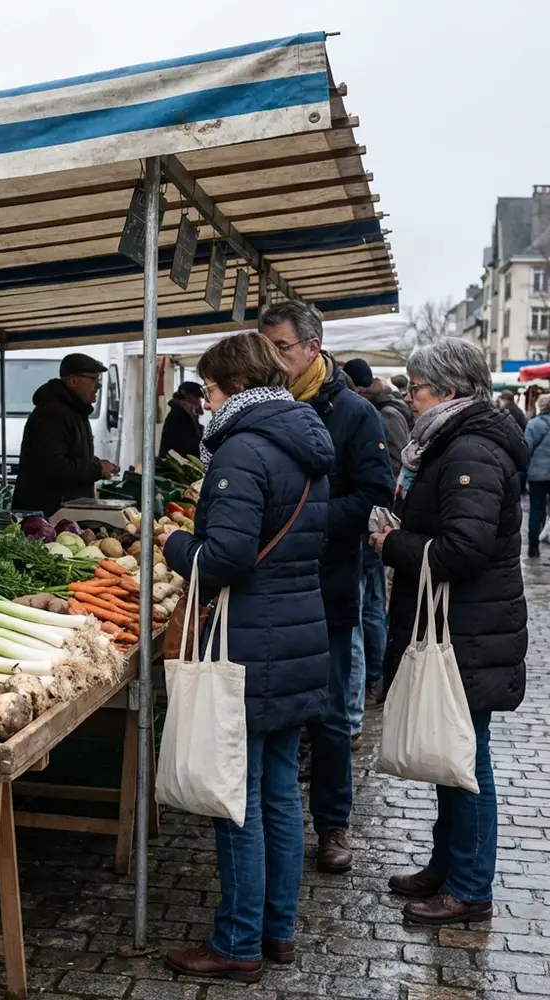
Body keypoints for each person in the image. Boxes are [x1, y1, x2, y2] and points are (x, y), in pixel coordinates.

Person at [160, 332, 334, 983]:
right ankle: (277, 932)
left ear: (231, 385)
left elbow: (224, 558)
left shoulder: (242, 450)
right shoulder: (306, 441)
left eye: (207, 389)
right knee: (280, 792)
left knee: (237, 795)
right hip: (296, 637)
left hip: (250, 644)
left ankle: (236, 944)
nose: (204, 403)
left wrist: (176, 543)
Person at [370, 338, 527, 926]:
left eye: (418, 388)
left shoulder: (471, 450)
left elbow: (462, 548)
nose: (410, 397)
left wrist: (394, 545)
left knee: (467, 759)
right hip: (461, 627)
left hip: (470, 630)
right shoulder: (450, 442)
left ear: (451, 392)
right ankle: (446, 865)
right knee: (452, 755)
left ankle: (469, 886)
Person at [260, 301, 394, 875]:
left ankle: (333, 827)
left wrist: (308, 519)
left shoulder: (355, 414)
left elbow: (376, 494)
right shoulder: (263, 406)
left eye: (282, 349)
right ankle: (272, 820)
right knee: (274, 712)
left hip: (329, 586)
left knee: (333, 716)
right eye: (266, 348)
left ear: (312, 348)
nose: (273, 358)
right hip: (268, 590)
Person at [341, 358, 413, 722]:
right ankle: (375, 679)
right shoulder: (382, 411)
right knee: (368, 610)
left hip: (370, 530)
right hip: (370, 528)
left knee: (365, 612)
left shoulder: (381, 416)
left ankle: (372, 684)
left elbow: (391, 472)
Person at [12, 354, 119, 516]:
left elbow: (72, 455)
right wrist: (97, 469)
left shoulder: (74, 411)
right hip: (46, 515)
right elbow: (54, 466)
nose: (98, 386)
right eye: (93, 379)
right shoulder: (52, 414)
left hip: (63, 513)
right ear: (73, 380)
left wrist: (98, 464)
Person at [524, 394, 550, 557]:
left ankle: (533, 548)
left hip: (537, 475)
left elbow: (526, 448)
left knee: (536, 509)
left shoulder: (533, 424)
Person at [158, 381, 205, 460]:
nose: (198, 401)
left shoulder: (188, 413)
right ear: (186, 395)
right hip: (176, 466)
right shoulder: (179, 414)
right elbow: (184, 444)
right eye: (196, 397)